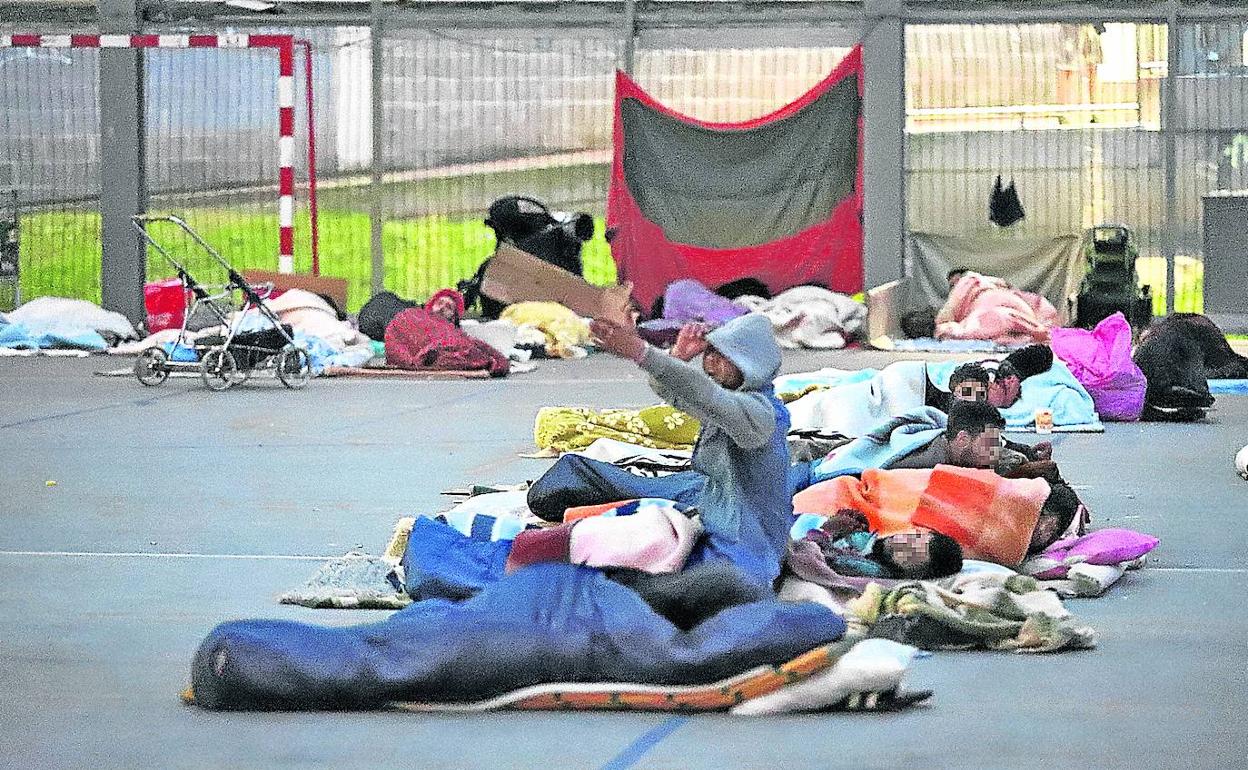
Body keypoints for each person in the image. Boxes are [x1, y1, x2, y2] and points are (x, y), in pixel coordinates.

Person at [588, 313, 792, 587]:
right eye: (709, 353)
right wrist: (677, 357)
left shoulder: (759, 414)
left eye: (722, 355)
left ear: (751, 363)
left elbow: (706, 396)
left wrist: (642, 352)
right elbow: (679, 393)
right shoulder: (731, 404)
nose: (710, 361)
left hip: (748, 550)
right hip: (716, 525)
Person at [800, 509, 964, 580]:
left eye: (910, 552)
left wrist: (825, 536)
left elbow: (831, 560)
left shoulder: (874, 569)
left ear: (917, 574)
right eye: (913, 538)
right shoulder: (869, 539)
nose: (901, 543)